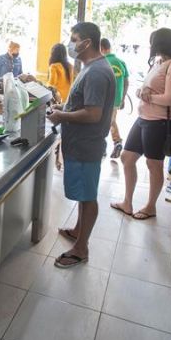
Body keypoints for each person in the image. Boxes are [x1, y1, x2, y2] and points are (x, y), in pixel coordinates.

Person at [47, 22, 115, 268]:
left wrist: (62, 116)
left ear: (87, 42)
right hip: (79, 144)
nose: (71, 43)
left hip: (87, 145)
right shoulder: (90, 67)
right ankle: (78, 230)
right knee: (84, 194)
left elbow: (93, 114)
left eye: (74, 39)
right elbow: (81, 104)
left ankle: (81, 248)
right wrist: (63, 108)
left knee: (88, 197)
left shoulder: (97, 72)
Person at [111, 28, 171, 220]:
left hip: (160, 122)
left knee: (154, 164)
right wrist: (142, 93)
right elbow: (148, 90)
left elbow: (169, 99)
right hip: (144, 119)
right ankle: (127, 202)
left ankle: (150, 206)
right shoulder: (158, 62)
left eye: (153, 42)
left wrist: (148, 96)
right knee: (127, 158)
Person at [100, 38, 129, 159]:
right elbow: (127, 82)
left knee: (103, 122)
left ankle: (103, 146)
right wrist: (122, 99)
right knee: (111, 120)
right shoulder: (120, 62)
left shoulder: (101, 62)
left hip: (103, 99)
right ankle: (116, 142)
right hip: (116, 99)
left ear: (101, 49)